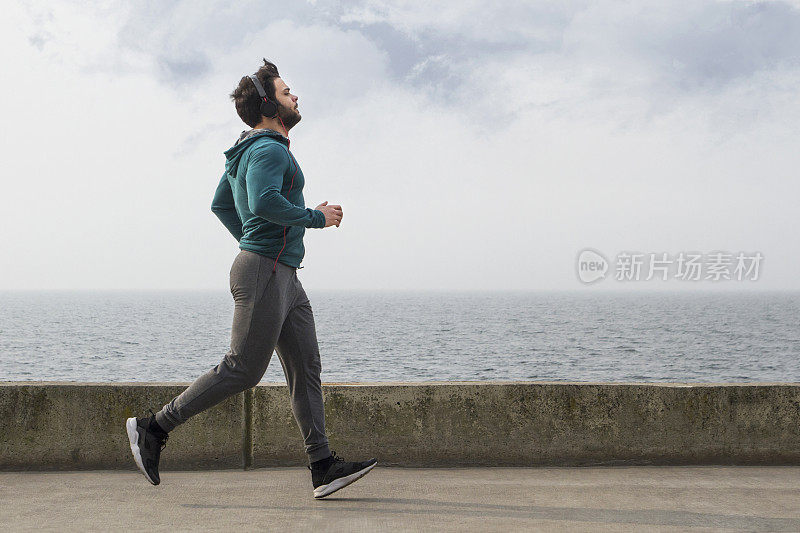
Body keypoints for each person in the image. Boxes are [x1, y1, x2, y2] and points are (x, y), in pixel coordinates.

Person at [125, 58, 377, 499]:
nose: (294, 96)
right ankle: (154, 426)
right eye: (285, 92)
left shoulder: (245, 152)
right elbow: (261, 201)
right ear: (268, 106)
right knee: (243, 369)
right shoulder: (269, 149)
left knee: (305, 367)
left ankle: (322, 465)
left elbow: (223, 205)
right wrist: (313, 217)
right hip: (265, 270)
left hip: (282, 274)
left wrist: (256, 238)